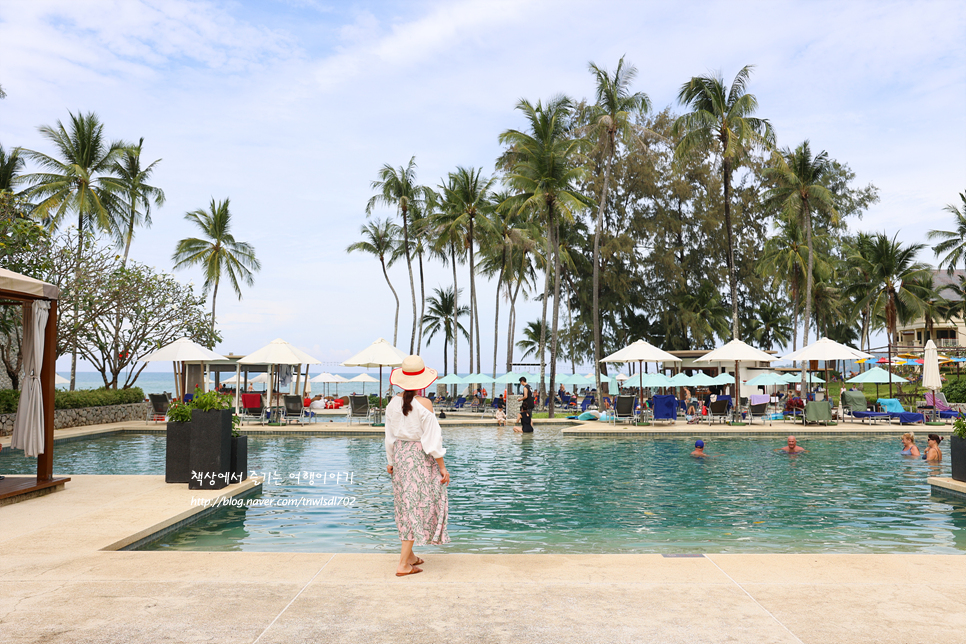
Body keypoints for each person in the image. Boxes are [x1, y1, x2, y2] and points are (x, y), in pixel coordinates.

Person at [384, 355, 450, 577]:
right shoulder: (425, 404)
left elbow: (390, 436)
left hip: (402, 457)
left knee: (405, 505)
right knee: (418, 506)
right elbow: (432, 440)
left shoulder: (392, 403)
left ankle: (410, 556)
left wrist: (391, 461)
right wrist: (442, 467)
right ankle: (403, 564)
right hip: (420, 458)